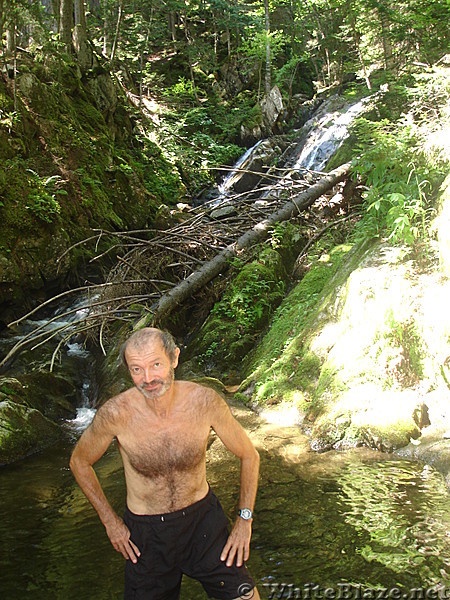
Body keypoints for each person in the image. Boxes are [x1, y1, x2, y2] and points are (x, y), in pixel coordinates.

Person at [70, 327, 261, 600]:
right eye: (137, 370)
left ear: (175, 358)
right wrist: (110, 522)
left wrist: (244, 520)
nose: (148, 379)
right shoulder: (115, 414)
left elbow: (249, 455)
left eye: (156, 365)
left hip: (203, 524)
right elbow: (79, 462)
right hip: (147, 536)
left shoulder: (204, 402)